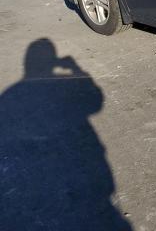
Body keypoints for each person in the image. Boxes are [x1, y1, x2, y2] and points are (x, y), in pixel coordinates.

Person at [0, 39, 132, 231]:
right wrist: (76, 69)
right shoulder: (16, 93)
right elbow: (96, 103)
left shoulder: (9, 95)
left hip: (43, 181)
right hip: (81, 170)